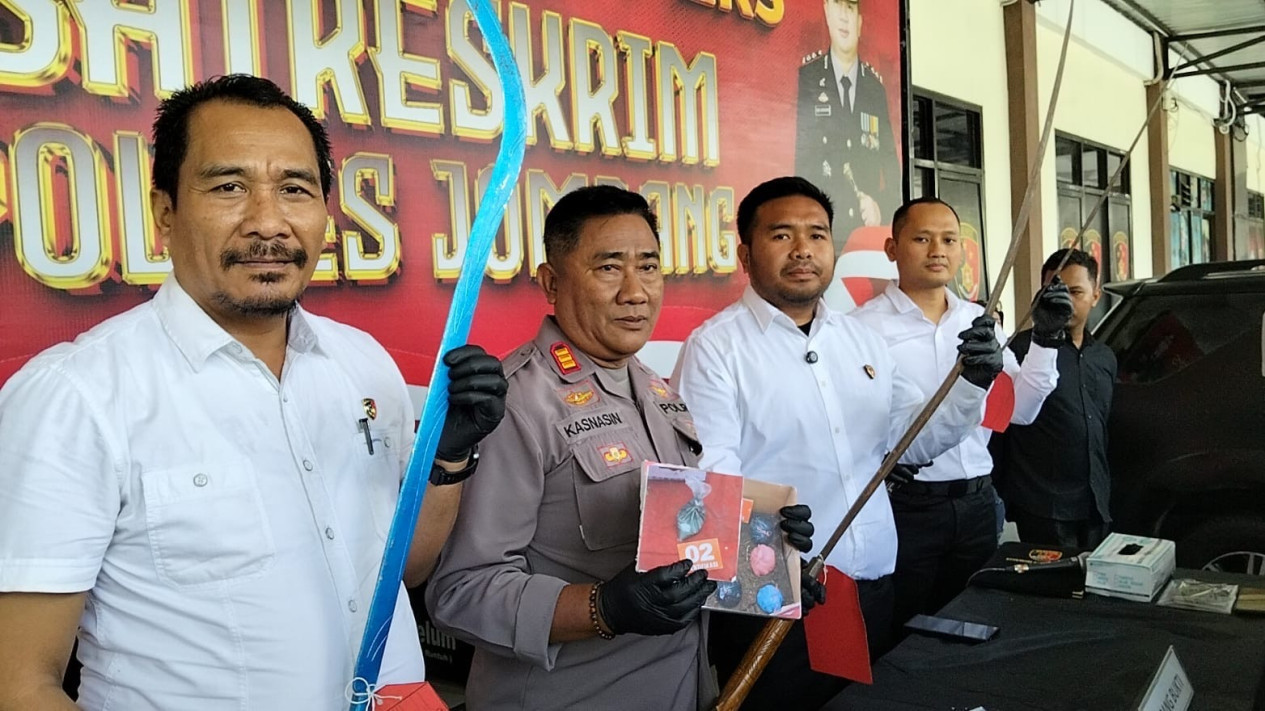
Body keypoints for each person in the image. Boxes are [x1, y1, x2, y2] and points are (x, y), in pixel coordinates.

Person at [0, 75, 508, 710]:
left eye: (294, 189)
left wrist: (448, 456)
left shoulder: (363, 365)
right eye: (229, 187)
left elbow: (405, 571)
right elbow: (20, 683)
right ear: (165, 212)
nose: (268, 222)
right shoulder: (74, 396)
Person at [426, 185, 819, 710]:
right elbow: (460, 593)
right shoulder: (513, 403)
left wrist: (764, 559)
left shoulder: (657, 390)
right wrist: (602, 608)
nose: (635, 292)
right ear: (551, 282)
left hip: (682, 690)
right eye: (609, 268)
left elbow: (683, 545)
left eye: (649, 267)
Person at [673, 177, 1004, 710]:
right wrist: (770, 572)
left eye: (817, 234)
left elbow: (913, 443)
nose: (803, 249)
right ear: (745, 254)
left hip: (871, 581)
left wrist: (972, 384)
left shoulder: (860, 340)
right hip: (779, 599)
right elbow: (710, 482)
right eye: (782, 235)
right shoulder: (716, 349)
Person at [850, 197, 1069, 631]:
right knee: (905, 631)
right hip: (906, 508)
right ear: (892, 248)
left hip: (977, 506)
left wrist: (1046, 339)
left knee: (977, 624)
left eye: (949, 240)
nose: (938, 250)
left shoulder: (979, 322)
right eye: (922, 239)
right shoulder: (861, 328)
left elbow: (1020, 412)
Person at [992, 249, 1117, 550]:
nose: (1066, 301)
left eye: (1076, 292)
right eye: (1057, 291)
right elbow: (999, 430)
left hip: (1095, 502)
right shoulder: (1019, 352)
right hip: (1042, 506)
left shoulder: (1104, 357)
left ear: (1096, 296)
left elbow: (1100, 426)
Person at [796, 0, 901, 253]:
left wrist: (881, 208)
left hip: (865, 239)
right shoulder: (809, 77)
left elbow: (891, 169)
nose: (844, 17)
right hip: (822, 236)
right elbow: (802, 163)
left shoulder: (875, 90)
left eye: (851, 8)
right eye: (838, 6)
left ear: (860, 23)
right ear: (826, 12)